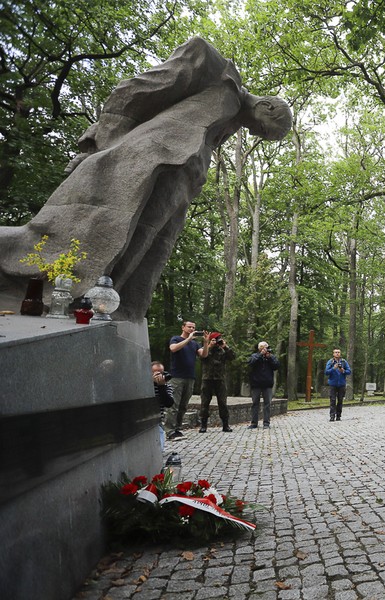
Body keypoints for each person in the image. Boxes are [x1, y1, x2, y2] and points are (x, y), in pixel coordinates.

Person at [0, 37, 293, 320]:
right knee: (99, 237)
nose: (257, 135)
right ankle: (66, 296)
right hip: (148, 160)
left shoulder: (233, 121)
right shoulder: (213, 66)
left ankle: (113, 308)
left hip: (181, 182)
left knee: (147, 249)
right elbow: (139, 90)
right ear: (266, 107)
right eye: (265, 131)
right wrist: (101, 140)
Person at [168, 321, 210, 438]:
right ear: (183, 327)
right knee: (173, 405)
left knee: (183, 405)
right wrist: (188, 339)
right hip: (176, 377)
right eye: (189, 327)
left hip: (190, 377)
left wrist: (206, 343)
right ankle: (170, 430)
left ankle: (177, 428)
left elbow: (204, 355)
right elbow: (173, 349)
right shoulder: (176, 339)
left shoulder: (194, 344)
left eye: (194, 327)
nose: (192, 329)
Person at [199, 332, 235, 432]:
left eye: (218, 339)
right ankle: (203, 425)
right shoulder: (205, 349)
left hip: (220, 379)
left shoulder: (223, 350)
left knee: (223, 402)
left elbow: (232, 357)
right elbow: (202, 357)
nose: (216, 342)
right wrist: (209, 346)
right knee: (205, 402)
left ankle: (225, 425)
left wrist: (225, 347)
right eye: (214, 340)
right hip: (207, 379)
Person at [248, 341, 280, 430]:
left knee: (267, 404)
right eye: (263, 347)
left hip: (267, 384)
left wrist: (269, 357)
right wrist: (260, 355)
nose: (265, 349)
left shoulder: (270, 357)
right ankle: (254, 423)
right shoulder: (255, 355)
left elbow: (277, 365)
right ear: (259, 348)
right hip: (256, 384)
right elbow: (250, 363)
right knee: (255, 404)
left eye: (266, 347)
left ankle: (266, 423)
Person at [151, 361, 174, 450]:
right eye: (155, 373)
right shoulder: (143, 384)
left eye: (161, 373)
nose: (159, 376)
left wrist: (161, 387)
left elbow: (169, 403)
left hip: (157, 421)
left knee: (159, 449)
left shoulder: (167, 386)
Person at [325, 348, 352, 421]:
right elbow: (326, 372)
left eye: (338, 352)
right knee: (332, 400)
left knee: (340, 400)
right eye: (336, 352)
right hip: (333, 384)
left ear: (340, 353)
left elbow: (349, 371)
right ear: (333, 354)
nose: (337, 353)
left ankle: (338, 416)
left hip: (341, 384)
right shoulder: (330, 362)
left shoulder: (343, 362)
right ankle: (332, 416)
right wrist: (333, 368)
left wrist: (343, 371)